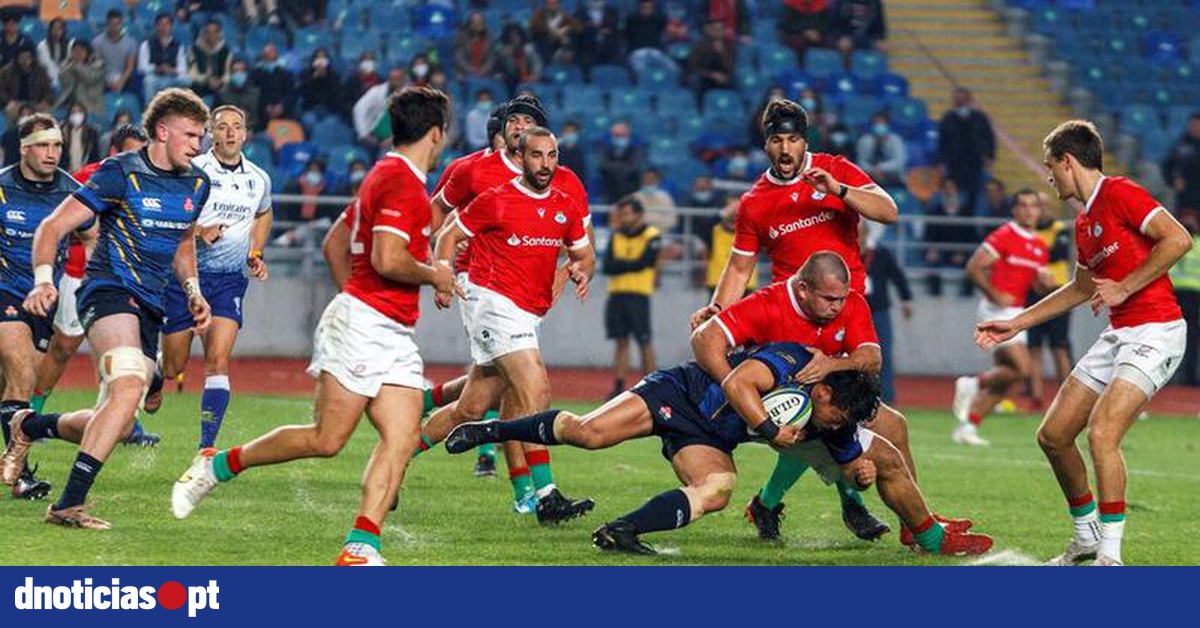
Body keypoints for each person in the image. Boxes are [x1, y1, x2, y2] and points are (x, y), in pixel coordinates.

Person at [171, 86, 456, 566]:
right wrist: (433, 275)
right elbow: (387, 259)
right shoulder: (403, 184)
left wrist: (359, 298)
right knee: (326, 439)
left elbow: (333, 244)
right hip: (367, 326)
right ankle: (217, 465)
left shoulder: (384, 175)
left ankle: (360, 546)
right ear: (436, 133)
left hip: (388, 328)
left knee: (403, 437)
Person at [443, 343, 992, 556]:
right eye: (834, 415)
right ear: (820, 391)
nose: (836, 426)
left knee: (717, 489)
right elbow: (739, 382)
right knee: (588, 434)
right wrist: (765, 425)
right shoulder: (786, 364)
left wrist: (863, 476)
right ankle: (487, 432)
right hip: (678, 393)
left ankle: (621, 531)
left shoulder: (837, 421)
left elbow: (855, 466)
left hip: (708, 438)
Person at [976, 120, 1193, 565]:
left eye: (1050, 167)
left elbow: (1178, 239)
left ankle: (1109, 559)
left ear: (1068, 161)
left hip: (1157, 330)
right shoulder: (1084, 221)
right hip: (1120, 333)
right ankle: (1087, 538)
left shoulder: (1121, 193)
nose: (1049, 177)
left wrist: (1125, 286)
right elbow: (1079, 288)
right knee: (1053, 436)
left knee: (1101, 433)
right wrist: (1018, 321)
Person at [2, 88, 214, 529]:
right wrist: (44, 280)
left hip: (150, 305)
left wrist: (193, 290)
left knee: (112, 424)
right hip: (109, 289)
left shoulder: (197, 182)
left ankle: (31, 426)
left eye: (201, 136)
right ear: (162, 131)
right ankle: (67, 505)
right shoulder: (120, 173)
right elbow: (53, 225)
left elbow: (183, 242)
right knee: (130, 381)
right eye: (191, 135)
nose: (198, 145)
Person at [693, 253, 964, 547]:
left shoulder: (851, 301)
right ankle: (857, 506)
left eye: (841, 298)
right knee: (832, 436)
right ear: (803, 289)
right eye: (829, 298)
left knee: (893, 425)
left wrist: (829, 365)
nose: (837, 306)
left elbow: (872, 359)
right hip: (774, 408)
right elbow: (704, 338)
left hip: (824, 401)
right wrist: (740, 394)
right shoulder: (769, 303)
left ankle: (908, 522)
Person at [425, 125, 597, 524]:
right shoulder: (497, 200)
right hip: (493, 305)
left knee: (470, 406)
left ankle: (399, 456)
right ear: (520, 158)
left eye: (552, 156)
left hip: (527, 312)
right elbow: (447, 233)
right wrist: (445, 273)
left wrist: (581, 270)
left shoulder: (564, 204)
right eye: (537, 155)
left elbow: (583, 253)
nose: (545, 164)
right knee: (536, 387)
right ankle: (547, 495)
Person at [157, 105, 272, 450]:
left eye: (237, 126)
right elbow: (166, 222)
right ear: (211, 133)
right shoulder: (192, 171)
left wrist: (256, 252)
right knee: (174, 366)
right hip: (186, 277)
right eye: (222, 127)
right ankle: (157, 372)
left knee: (217, 361)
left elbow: (264, 213)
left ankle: (206, 448)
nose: (230, 133)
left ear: (246, 133)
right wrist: (198, 233)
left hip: (227, 281)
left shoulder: (258, 178)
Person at [31, 124, 151, 446]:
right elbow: (61, 222)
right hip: (79, 272)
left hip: (127, 280)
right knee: (63, 347)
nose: (138, 158)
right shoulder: (87, 177)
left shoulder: (148, 179)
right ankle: (32, 413)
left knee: (122, 351)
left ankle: (125, 421)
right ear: (114, 152)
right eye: (131, 151)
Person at [0, 114, 80, 500]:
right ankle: (20, 475)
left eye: (58, 146)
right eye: (44, 146)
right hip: (5, 292)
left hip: (45, 299)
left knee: (15, 385)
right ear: (24, 148)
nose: (52, 154)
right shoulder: (1, 187)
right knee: (22, 374)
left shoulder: (72, 190)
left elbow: (96, 232)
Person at [951, 189, 1049, 446]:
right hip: (996, 311)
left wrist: (1045, 285)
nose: (1029, 210)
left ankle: (968, 427)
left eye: (1034, 206)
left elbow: (1036, 285)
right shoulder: (1005, 235)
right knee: (1022, 368)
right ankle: (972, 383)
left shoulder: (1040, 246)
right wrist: (994, 294)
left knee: (1008, 379)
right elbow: (974, 267)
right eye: (1023, 205)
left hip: (1017, 313)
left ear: (1040, 211)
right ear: (1014, 210)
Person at [603, 196, 661, 398]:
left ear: (638, 215)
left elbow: (645, 262)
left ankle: (654, 386)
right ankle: (619, 386)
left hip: (639, 295)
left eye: (627, 214)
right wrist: (629, 264)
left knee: (644, 341)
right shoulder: (616, 235)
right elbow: (607, 267)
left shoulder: (652, 235)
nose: (624, 218)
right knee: (621, 341)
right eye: (621, 214)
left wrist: (622, 264)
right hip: (617, 294)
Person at [1026, 197, 1074, 406]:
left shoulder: (1059, 228)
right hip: (1032, 290)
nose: (1039, 210)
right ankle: (1036, 397)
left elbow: (1059, 253)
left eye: (1042, 205)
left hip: (1057, 292)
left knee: (1059, 346)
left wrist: (1031, 253)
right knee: (1033, 346)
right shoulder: (1027, 231)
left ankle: (1069, 398)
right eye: (1037, 206)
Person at [863, 225, 912, 405]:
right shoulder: (848, 251)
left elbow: (896, 275)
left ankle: (886, 400)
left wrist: (906, 299)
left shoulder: (881, 253)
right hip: (855, 313)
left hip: (879, 310)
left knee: (884, 355)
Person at [937, 88, 995, 216]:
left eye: (963, 99)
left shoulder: (979, 117)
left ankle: (971, 221)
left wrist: (990, 156)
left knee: (974, 194)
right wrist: (941, 161)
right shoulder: (948, 118)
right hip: (954, 163)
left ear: (969, 100)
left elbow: (989, 138)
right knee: (954, 193)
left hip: (974, 163)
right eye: (957, 99)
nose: (960, 102)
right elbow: (942, 141)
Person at [704, 198, 757, 294]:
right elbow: (702, 226)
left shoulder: (751, 232)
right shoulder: (714, 231)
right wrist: (722, 214)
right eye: (731, 207)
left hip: (745, 284)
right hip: (718, 282)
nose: (735, 211)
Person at [138, 13, 189, 97]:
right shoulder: (146, 44)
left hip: (172, 77)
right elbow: (142, 67)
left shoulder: (178, 46)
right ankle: (150, 107)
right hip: (155, 77)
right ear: (156, 26)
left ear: (171, 27)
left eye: (166, 24)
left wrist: (171, 70)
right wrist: (157, 68)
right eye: (160, 24)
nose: (163, 27)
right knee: (149, 80)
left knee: (187, 80)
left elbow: (182, 69)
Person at [90, 10, 137, 95]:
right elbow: (96, 65)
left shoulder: (130, 42)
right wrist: (106, 81)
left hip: (122, 77)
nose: (114, 28)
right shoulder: (97, 42)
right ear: (107, 24)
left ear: (121, 24)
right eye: (111, 25)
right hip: (103, 77)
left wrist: (121, 81)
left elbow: (129, 67)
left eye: (117, 25)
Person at [855, 112, 906, 188]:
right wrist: (873, 170)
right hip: (870, 176)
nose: (879, 126)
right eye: (876, 123)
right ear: (872, 125)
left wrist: (881, 168)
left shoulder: (896, 140)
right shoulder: (864, 140)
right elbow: (861, 162)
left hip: (892, 177)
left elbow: (899, 162)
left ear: (887, 125)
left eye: (882, 123)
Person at [55, 40, 104, 118]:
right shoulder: (69, 65)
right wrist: (69, 66)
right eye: (75, 51)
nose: (78, 53)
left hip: (90, 106)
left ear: (88, 52)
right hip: (69, 105)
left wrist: (77, 65)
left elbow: (90, 79)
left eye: (81, 51)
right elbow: (62, 79)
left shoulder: (97, 66)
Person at [1162, 113, 1200, 213]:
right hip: (1183, 189)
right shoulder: (1180, 144)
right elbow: (1167, 166)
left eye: (1197, 125)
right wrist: (1173, 180)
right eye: (1192, 125)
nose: (1194, 128)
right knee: (1168, 196)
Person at [189, 19, 231, 97]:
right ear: (204, 33)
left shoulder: (226, 51)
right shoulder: (194, 50)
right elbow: (192, 74)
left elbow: (227, 75)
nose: (211, 35)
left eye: (214, 32)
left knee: (226, 91)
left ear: (219, 34)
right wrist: (206, 80)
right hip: (200, 85)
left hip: (219, 85)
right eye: (208, 32)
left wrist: (219, 81)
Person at [215, 58, 260, 131]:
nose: (239, 74)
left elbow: (261, 119)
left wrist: (251, 129)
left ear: (246, 73)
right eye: (235, 71)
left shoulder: (256, 93)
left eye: (242, 71)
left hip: (252, 132)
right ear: (231, 73)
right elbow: (215, 117)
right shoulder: (221, 93)